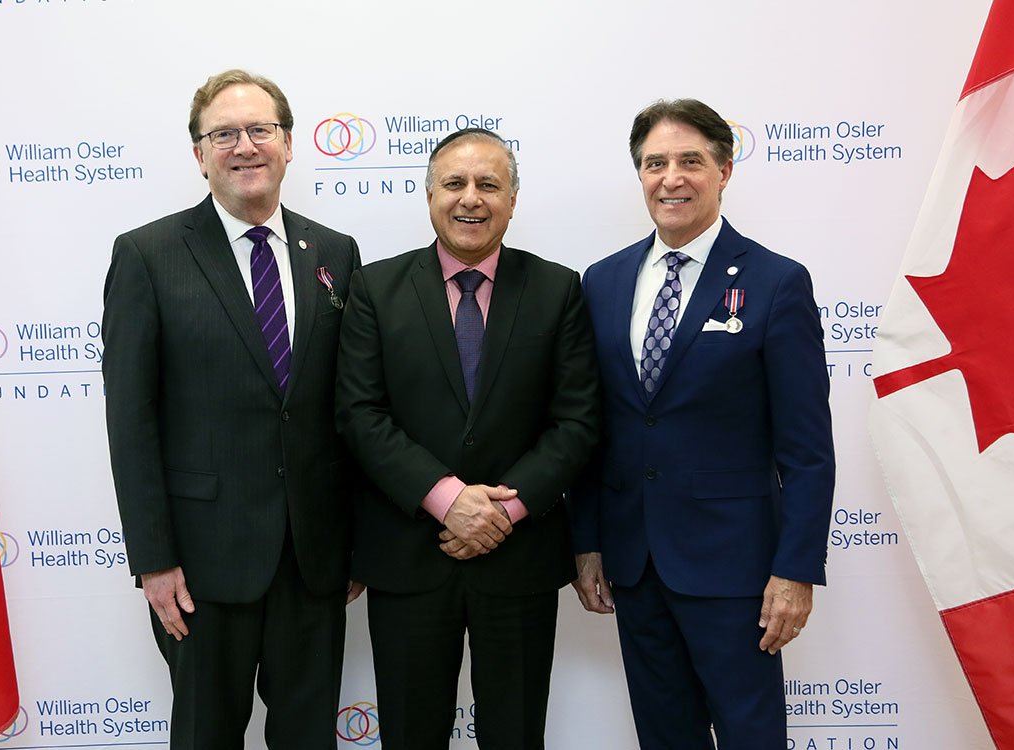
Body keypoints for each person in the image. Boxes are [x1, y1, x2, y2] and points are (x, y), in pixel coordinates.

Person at [102, 69, 362, 750]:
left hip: (312, 559)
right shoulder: (148, 255)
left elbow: (348, 410)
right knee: (205, 736)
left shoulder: (334, 253)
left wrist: (354, 542)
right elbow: (131, 422)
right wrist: (153, 560)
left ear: (288, 143)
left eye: (260, 130)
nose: (244, 146)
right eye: (224, 134)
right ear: (199, 154)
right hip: (201, 566)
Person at [571, 98, 835, 749]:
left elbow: (806, 450)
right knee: (665, 736)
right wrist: (587, 541)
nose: (672, 177)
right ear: (640, 175)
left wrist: (795, 569)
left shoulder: (777, 283)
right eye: (655, 163)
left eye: (691, 161)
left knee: (750, 735)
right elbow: (590, 427)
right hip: (634, 562)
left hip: (736, 567)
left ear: (724, 168)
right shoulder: (601, 283)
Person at [335, 127, 600, 750]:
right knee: (410, 734)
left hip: (520, 560)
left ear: (512, 199)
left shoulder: (558, 290)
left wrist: (503, 509)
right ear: (429, 197)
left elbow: (578, 420)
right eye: (454, 183)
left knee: (516, 734)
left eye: (489, 184)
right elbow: (359, 414)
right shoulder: (375, 290)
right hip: (408, 558)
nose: (470, 199)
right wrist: (446, 496)